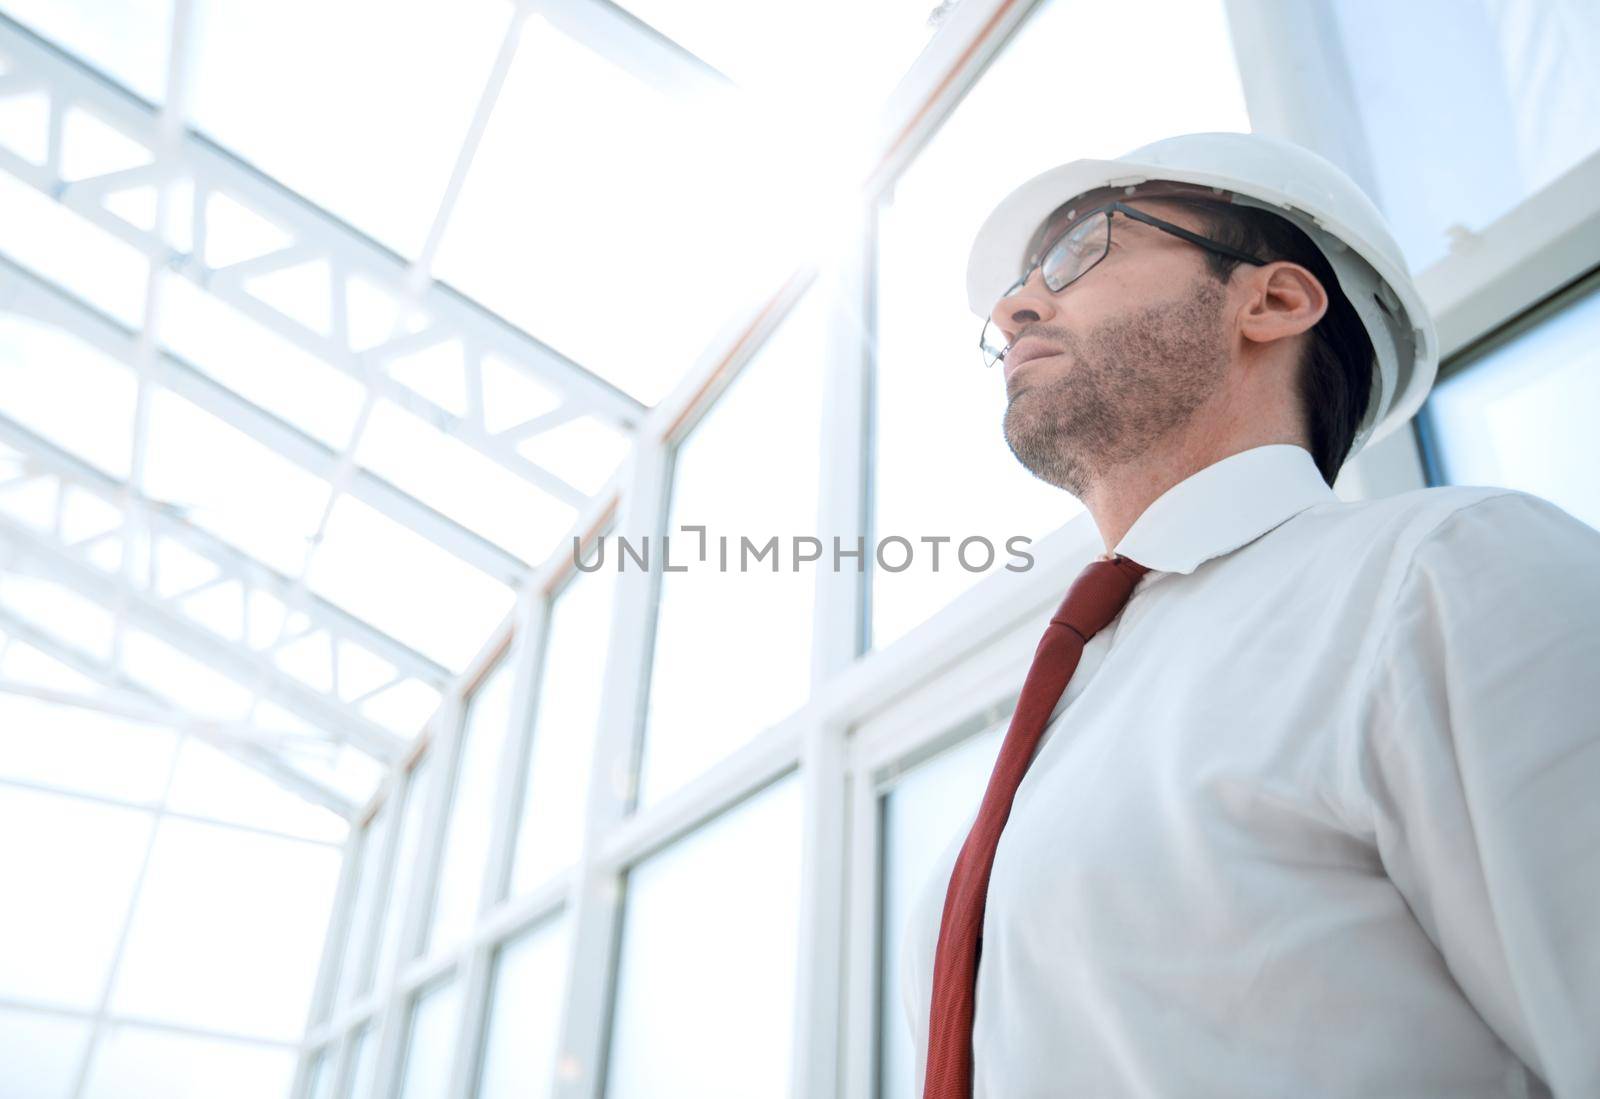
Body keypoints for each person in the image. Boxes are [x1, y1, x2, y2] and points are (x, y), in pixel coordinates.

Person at [899, 131, 1600, 1097]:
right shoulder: (1070, 705)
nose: (1014, 305)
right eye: (1019, 285)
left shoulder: (1450, 574)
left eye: (1077, 252)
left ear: (1272, 301)